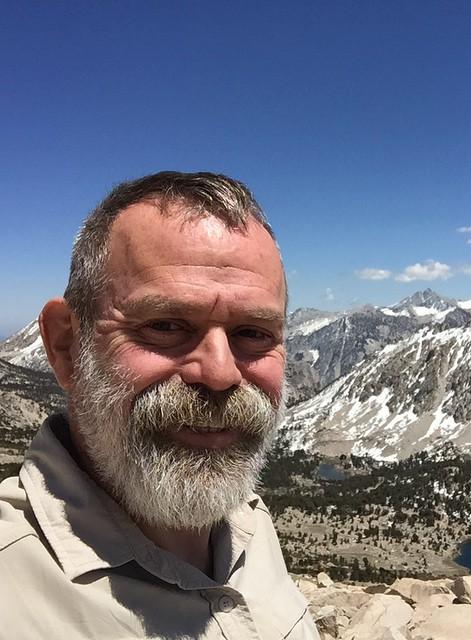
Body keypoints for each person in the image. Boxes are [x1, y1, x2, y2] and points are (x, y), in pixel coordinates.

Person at [0, 171, 320, 639]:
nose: (220, 373)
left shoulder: (249, 522)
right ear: (67, 346)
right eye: (166, 326)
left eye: (253, 333)